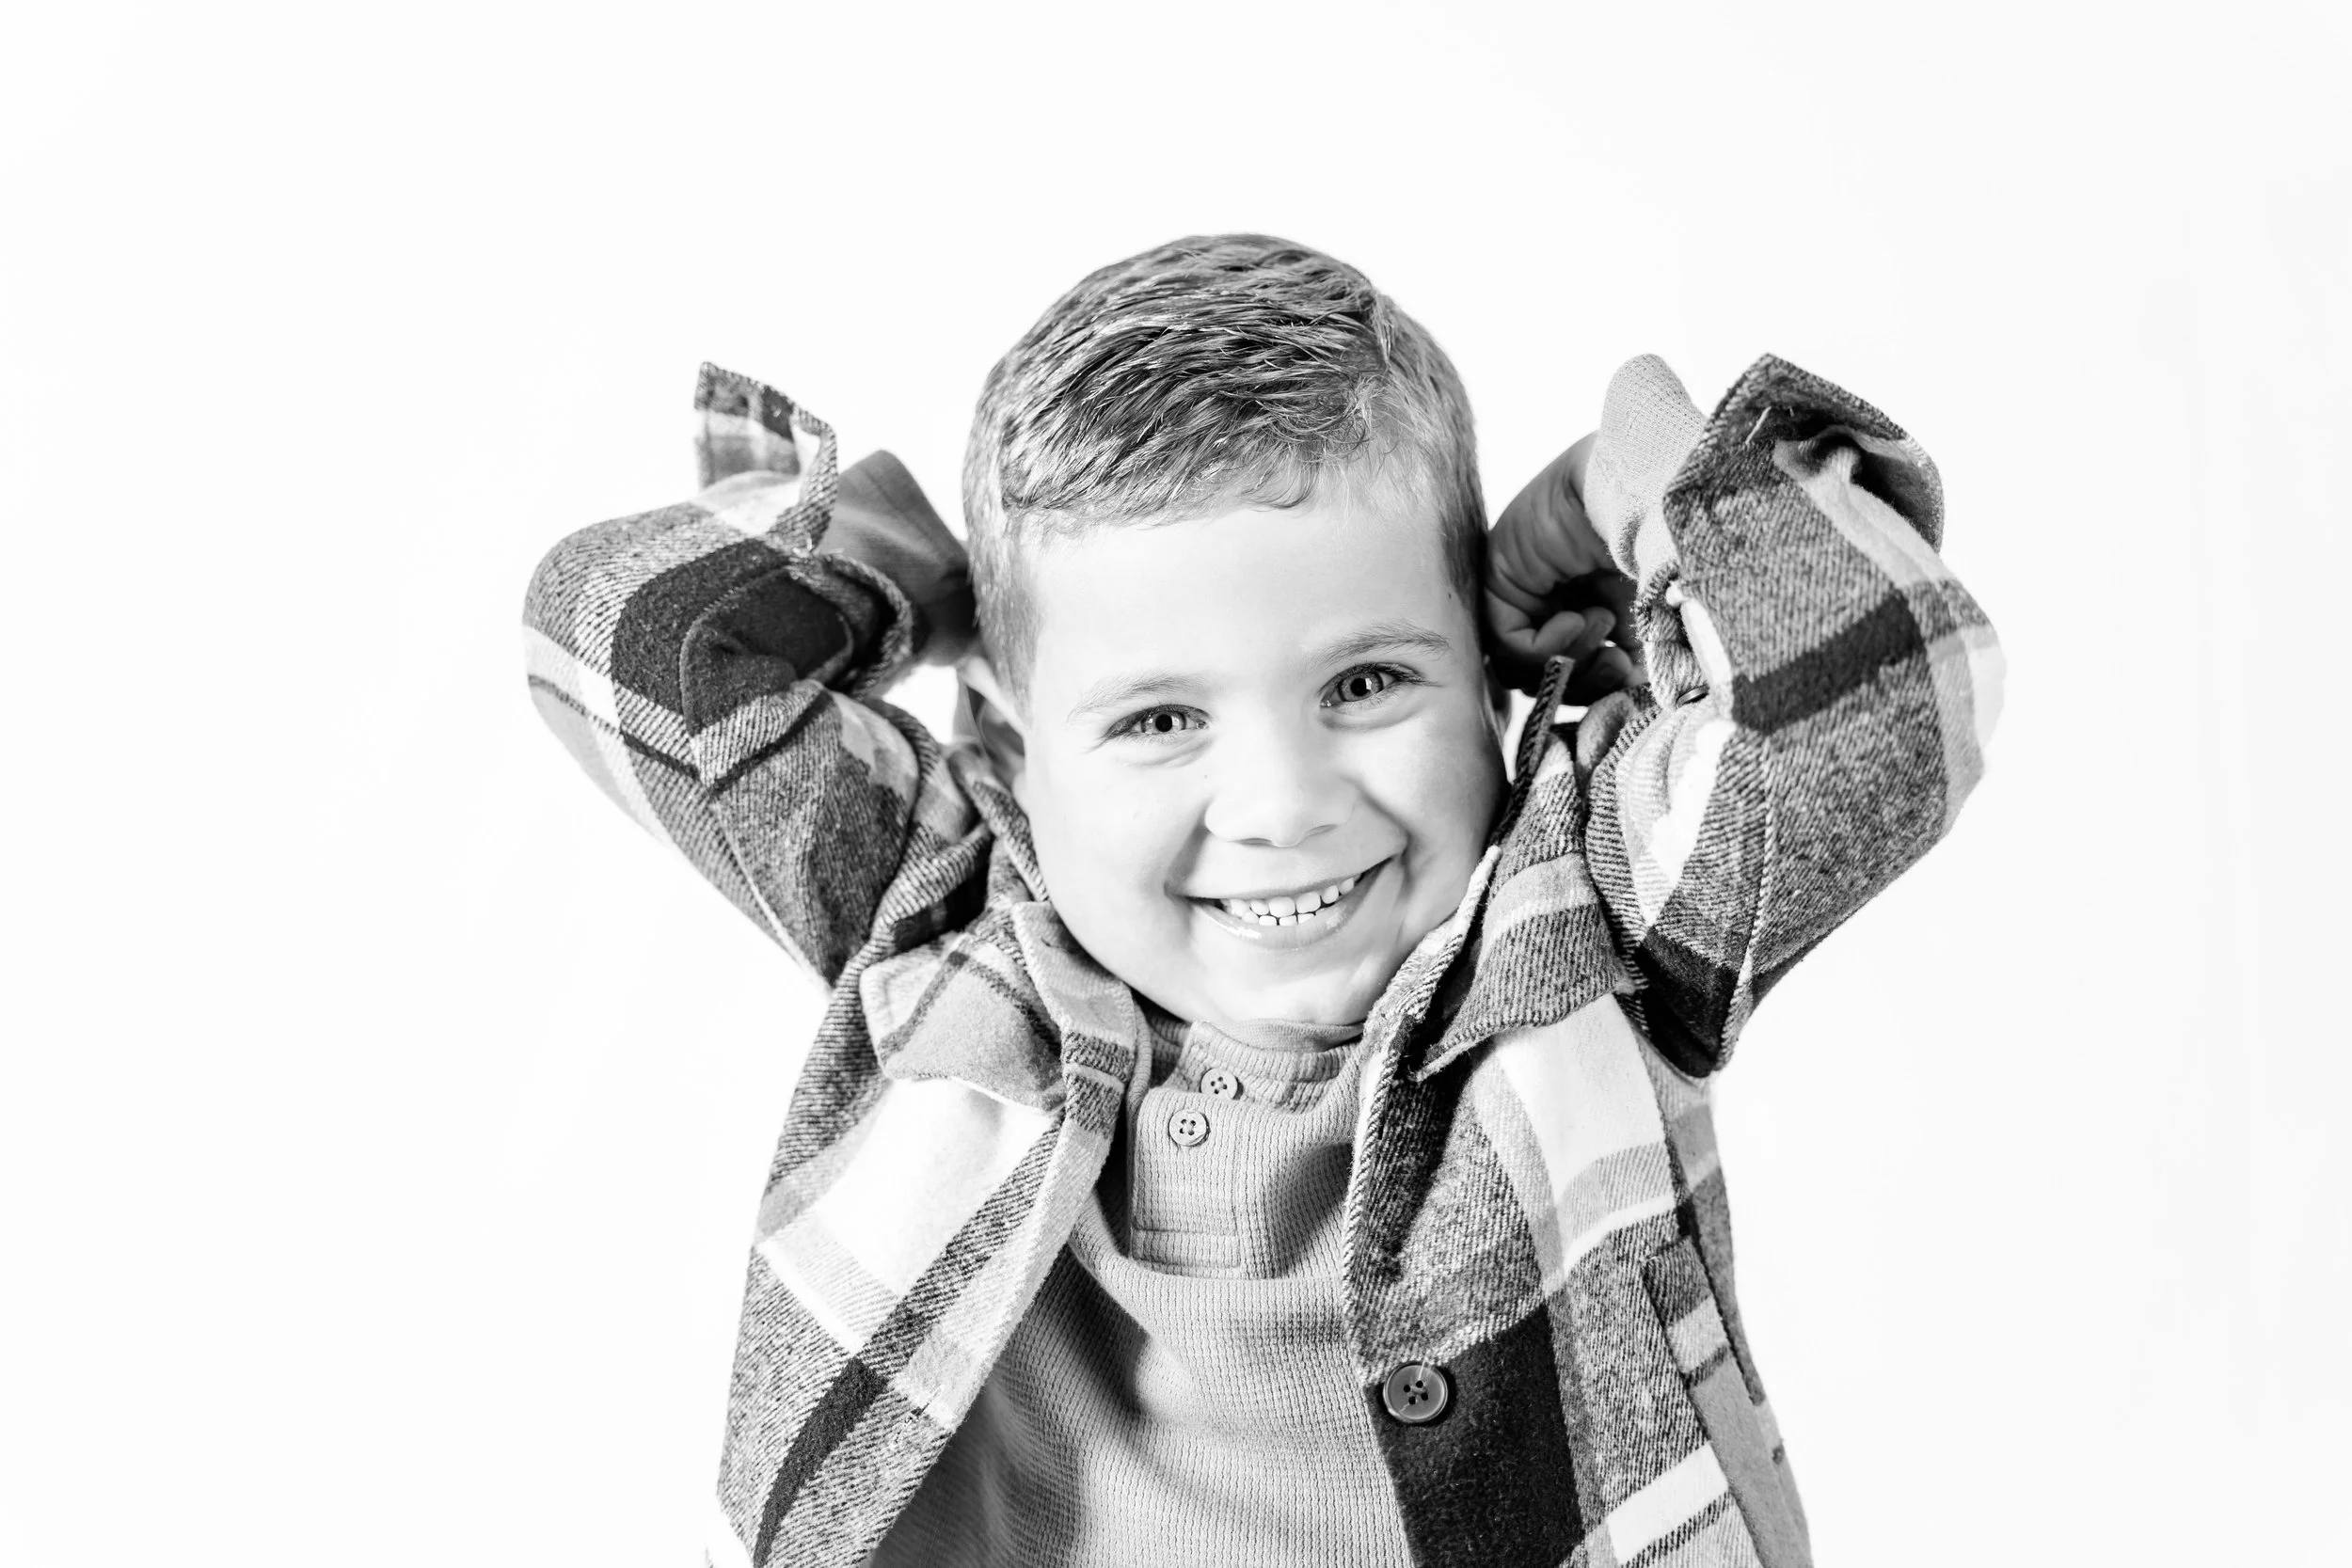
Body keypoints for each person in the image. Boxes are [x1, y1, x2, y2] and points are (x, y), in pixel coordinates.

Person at [520, 233, 2002, 1568]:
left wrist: (1637, 484)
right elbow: (619, 641)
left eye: (1367, 680)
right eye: (1159, 718)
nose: (1285, 805)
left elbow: (1881, 706)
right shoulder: (947, 914)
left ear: (1489, 676)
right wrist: (927, 576)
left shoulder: (1582, 918)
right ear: (1011, 752)